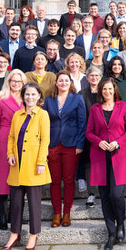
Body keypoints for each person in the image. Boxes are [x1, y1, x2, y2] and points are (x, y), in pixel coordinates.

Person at [0, 82, 51, 250]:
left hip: (34, 166)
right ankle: (14, 233)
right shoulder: (17, 115)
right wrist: (9, 154)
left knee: (34, 204)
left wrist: (41, 162)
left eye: (33, 95)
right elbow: (11, 138)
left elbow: (45, 140)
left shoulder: (43, 115)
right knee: (15, 204)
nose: (30, 97)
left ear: (39, 97)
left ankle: (33, 235)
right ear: (23, 97)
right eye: (27, 94)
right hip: (17, 165)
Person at [87, 78, 126, 250]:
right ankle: (111, 233)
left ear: (114, 90)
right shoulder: (95, 109)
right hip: (100, 156)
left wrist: (118, 142)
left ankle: (120, 224)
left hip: (119, 154)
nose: (107, 92)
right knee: (105, 197)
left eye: (110, 89)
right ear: (100, 91)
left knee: (116, 194)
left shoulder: (122, 107)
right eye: (104, 89)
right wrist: (98, 141)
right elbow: (89, 132)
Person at [44, 72, 87, 228]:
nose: (63, 83)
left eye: (66, 80)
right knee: (55, 181)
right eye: (60, 80)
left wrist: (80, 144)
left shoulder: (77, 98)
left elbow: (83, 123)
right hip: (53, 144)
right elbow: (44, 122)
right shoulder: (48, 100)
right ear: (56, 83)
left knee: (69, 180)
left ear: (70, 82)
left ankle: (67, 212)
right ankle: (57, 213)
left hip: (71, 145)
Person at [0, 70, 25, 231]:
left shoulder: (28, 97)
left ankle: (16, 214)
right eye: (13, 81)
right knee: (2, 180)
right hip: (4, 140)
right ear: (8, 81)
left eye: (19, 81)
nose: (16, 84)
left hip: (23, 141)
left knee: (20, 179)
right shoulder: (0, 97)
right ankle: (2, 216)